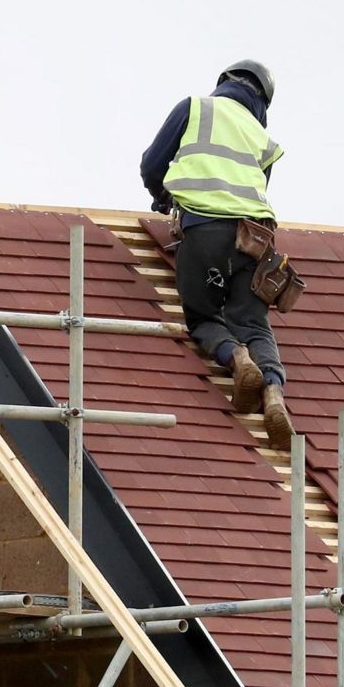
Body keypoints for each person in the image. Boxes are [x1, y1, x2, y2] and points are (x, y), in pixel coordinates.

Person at [140, 59, 293, 449]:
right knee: (253, 319)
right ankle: (273, 392)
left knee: (204, 313)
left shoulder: (195, 108)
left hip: (206, 229)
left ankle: (237, 359)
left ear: (224, 83)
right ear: (261, 101)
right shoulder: (263, 138)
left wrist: (165, 199)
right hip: (256, 238)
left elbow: (152, 165)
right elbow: (255, 192)